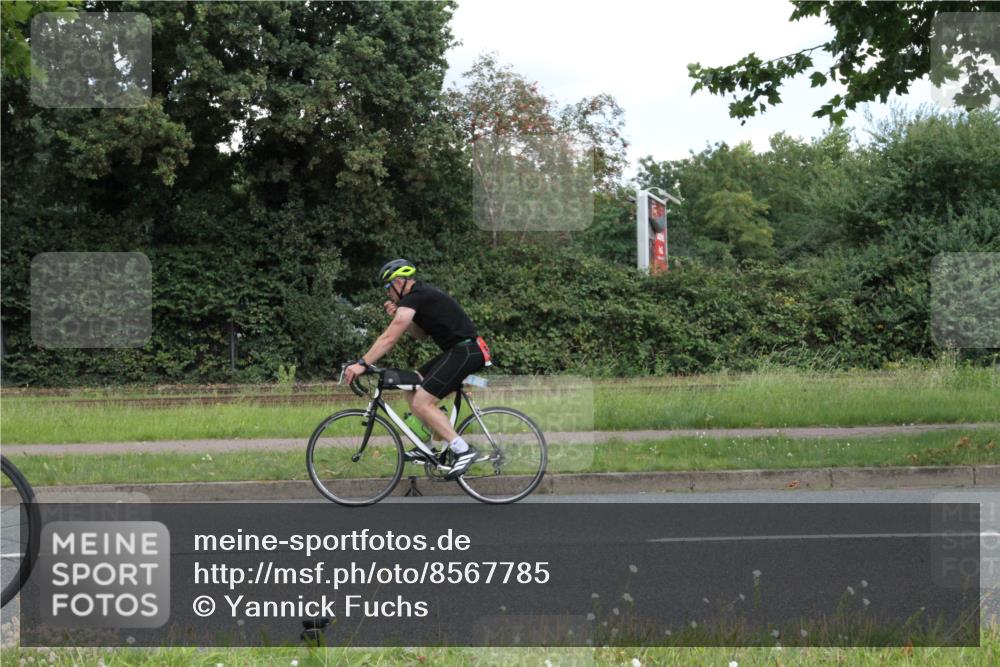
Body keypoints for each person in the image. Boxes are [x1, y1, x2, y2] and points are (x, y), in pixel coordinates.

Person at [343, 259, 490, 480]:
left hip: (467, 350)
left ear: (400, 282)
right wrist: (398, 316)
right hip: (457, 352)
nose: (387, 294)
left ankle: (463, 450)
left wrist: (362, 363)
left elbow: (390, 337)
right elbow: (420, 335)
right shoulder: (418, 298)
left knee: (422, 402)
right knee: (411, 384)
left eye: (387, 287)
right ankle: (428, 446)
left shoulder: (416, 296)